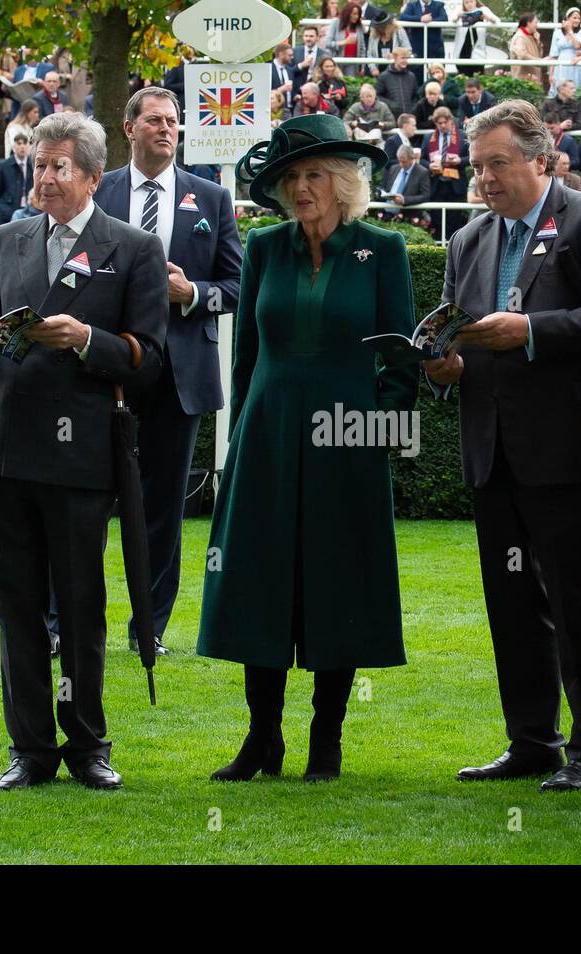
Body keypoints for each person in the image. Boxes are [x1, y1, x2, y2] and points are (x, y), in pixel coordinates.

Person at [0, 111, 168, 792]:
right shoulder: (7, 239)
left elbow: (149, 359)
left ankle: (88, 745)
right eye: (37, 165)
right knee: (15, 605)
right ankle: (30, 750)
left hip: (80, 456)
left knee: (80, 604)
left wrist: (86, 340)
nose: (43, 178)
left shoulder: (132, 247)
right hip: (6, 449)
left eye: (58, 166)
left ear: (93, 175)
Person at [422, 100, 581, 789]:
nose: (484, 178)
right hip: (496, 450)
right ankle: (532, 741)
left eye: (498, 164)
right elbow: (458, 333)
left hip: (572, 450)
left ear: (543, 160)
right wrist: (443, 366)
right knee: (512, 606)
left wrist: (532, 332)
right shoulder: (469, 240)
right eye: (477, 165)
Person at [200, 113, 418, 782]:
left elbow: (403, 362)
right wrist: (240, 435)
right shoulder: (264, 247)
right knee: (257, 582)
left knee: (338, 583)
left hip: (346, 446)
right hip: (266, 440)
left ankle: (328, 739)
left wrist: (377, 434)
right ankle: (261, 738)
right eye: (291, 177)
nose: (301, 188)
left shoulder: (383, 250)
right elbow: (246, 360)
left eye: (314, 175)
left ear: (344, 181)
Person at [93, 86, 242, 656]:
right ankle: (70, 625)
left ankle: (148, 630)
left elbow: (237, 285)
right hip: (108, 367)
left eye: (173, 121)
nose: (166, 128)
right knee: (88, 500)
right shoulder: (98, 192)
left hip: (180, 377)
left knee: (162, 508)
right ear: (128, 127)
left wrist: (191, 292)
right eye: (153, 120)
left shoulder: (211, 198)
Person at [423, 106, 467, 232]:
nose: (442, 125)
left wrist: (460, 161)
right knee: (437, 220)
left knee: (455, 221)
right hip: (437, 183)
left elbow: (472, 158)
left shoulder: (462, 136)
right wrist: (429, 165)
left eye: (445, 122)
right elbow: (421, 159)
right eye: (439, 123)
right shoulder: (428, 137)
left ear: (451, 121)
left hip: (455, 184)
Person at [0, 131, 31, 225]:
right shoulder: (4, 165)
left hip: (29, 211)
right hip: (8, 210)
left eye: (25, 143)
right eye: (19, 143)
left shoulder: (32, 165)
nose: (22, 146)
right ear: (13, 146)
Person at [380, 142, 429, 220]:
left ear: (412, 159)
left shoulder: (422, 172)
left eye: (404, 162)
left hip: (407, 216)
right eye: (399, 161)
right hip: (387, 213)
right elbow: (385, 187)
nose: (401, 164)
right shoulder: (394, 168)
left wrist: (404, 199)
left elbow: (425, 196)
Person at [451, 0, 499, 77]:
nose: (469, 4)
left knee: (478, 75)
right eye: (466, 2)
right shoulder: (459, 9)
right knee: (463, 76)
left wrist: (486, 17)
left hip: (477, 50)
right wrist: (458, 16)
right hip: (462, 50)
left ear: (475, 1)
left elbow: (497, 20)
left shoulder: (483, 10)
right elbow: (452, 20)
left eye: (471, 1)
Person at [549, 6, 581, 95]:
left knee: (576, 89)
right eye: (574, 18)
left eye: (579, 18)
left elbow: (577, 45)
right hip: (561, 64)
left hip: (576, 63)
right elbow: (553, 55)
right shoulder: (557, 33)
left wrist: (570, 31)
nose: (577, 20)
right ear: (567, 18)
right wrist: (551, 74)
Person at [398, 0, 446, 68]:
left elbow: (444, 18)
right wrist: (420, 19)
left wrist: (429, 20)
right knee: (416, 71)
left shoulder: (439, 5)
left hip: (435, 46)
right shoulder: (412, 5)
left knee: (437, 71)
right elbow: (403, 17)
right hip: (417, 46)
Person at [326, 2, 368, 77]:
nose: (356, 16)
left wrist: (362, 67)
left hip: (353, 63)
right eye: (354, 14)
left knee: (350, 84)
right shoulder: (336, 23)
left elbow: (362, 48)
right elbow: (327, 43)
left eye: (358, 14)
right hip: (337, 61)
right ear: (347, 13)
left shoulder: (359, 27)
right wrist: (344, 42)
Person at [364, 10, 408, 79]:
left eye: (381, 26)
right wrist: (373, 68)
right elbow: (369, 53)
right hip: (378, 75)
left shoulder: (399, 31)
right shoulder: (373, 34)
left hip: (397, 73)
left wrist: (395, 55)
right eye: (377, 26)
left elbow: (408, 49)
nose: (379, 28)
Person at [377, 47, 417, 119]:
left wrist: (412, 108)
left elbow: (416, 97)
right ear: (395, 58)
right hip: (391, 117)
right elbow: (377, 96)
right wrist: (391, 105)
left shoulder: (411, 76)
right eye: (402, 58)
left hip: (409, 117)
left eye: (406, 58)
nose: (405, 61)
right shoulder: (384, 76)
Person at [509, 12, 544, 89]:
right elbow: (523, 55)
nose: (537, 25)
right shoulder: (520, 37)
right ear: (528, 23)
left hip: (532, 81)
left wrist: (537, 41)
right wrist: (540, 61)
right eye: (535, 22)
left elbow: (539, 54)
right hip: (523, 84)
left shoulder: (532, 36)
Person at [269, 42, 297, 112]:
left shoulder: (290, 70)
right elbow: (263, 92)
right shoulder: (268, 69)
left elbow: (291, 92)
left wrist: (295, 96)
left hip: (289, 110)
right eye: (289, 55)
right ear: (281, 55)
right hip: (273, 111)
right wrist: (280, 90)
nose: (292, 57)